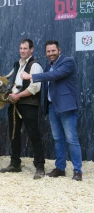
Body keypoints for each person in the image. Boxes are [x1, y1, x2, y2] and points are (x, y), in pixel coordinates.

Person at [21, 40, 82, 181]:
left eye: (53, 51)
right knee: (57, 139)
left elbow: (55, 76)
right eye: (48, 51)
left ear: (59, 50)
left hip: (67, 107)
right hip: (53, 107)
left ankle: (78, 171)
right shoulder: (48, 66)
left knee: (71, 139)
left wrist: (31, 76)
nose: (50, 54)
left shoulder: (68, 62)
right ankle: (60, 168)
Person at [0, 39, 45, 179]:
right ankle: (15, 164)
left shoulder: (35, 65)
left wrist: (18, 96)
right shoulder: (17, 64)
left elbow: (35, 88)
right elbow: (13, 82)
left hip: (28, 104)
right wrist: (8, 95)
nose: (22, 51)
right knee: (14, 134)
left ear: (32, 49)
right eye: (20, 48)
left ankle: (39, 166)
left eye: (25, 48)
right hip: (14, 104)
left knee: (33, 135)